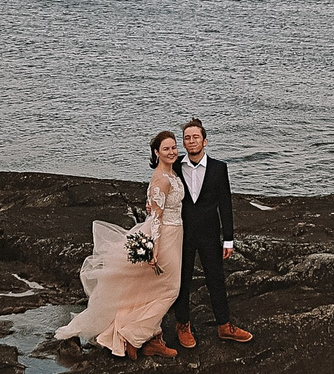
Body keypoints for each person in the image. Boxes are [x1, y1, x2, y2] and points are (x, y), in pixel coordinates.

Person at [56, 130, 185, 359]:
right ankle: (132, 334)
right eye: (166, 148)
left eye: (174, 147)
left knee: (149, 289)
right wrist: (154, 247)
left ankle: (148, 338)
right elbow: (156, 216)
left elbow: (154, 206)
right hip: (165, 236)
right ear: (157, 152)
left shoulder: (171, 173)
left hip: (175, 233)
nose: (172, 151)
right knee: (171, 290)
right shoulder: (161, 179)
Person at [166, 116, 251, 348]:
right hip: (181, 234)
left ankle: (225, 325)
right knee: (181, 280)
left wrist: (229, 239)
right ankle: (182, 324)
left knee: (216, 279)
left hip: (210, 235)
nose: (191, 141)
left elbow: (225, 204)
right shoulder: (174, 167)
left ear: (205, 141)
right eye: (187, 138)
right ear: (183, 143)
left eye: (195, 137)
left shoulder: (219, 168)